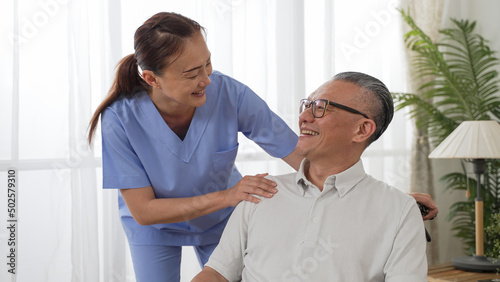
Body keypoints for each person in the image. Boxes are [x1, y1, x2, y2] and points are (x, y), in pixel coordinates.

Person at [87, 12, 436, 282]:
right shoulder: (120, 119)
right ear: (152, 78)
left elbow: (306, 153)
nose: (207, 79)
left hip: (221, 219)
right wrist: (228, 195)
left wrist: (387, 202)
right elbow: (145, 211)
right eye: (192, 72)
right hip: (157, 226)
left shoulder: (228, 93)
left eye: (208, 64)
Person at [193, 72, 428, 282]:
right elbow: (217, 273)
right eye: (306, 105)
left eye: (321, 107)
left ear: (362, 130)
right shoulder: (261, 191)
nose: (304, 116)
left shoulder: (400, 211)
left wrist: (398, 204)